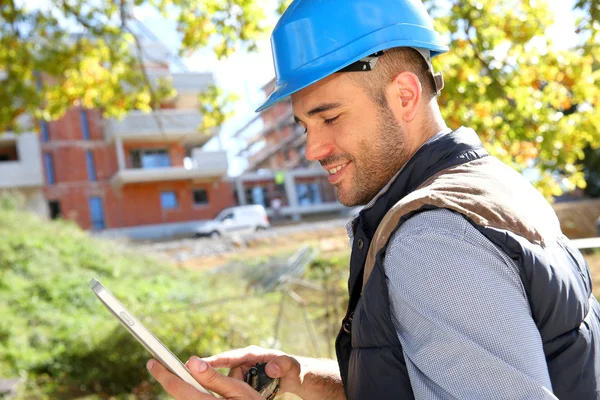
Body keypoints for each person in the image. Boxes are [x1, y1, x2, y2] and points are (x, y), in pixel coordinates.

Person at [148, 0, 600, 398]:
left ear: (404, 96)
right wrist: (306, 377)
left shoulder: (433, 241)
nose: (312, 150)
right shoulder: (490, 184)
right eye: (306, 126)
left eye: (329, 117)